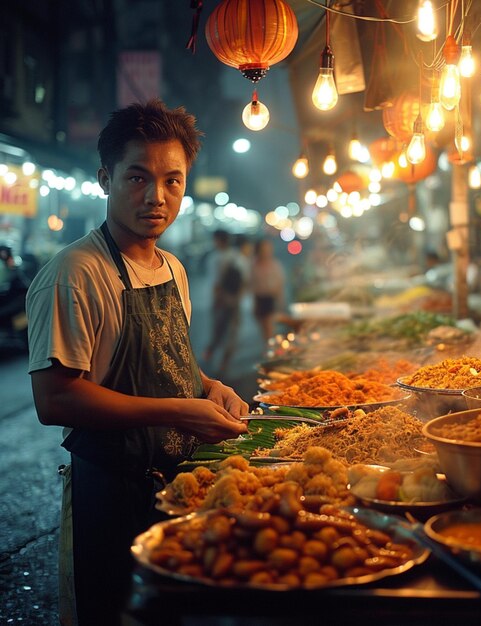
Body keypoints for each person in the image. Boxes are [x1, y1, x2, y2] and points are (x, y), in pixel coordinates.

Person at [26, 99, 248, 626]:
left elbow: (171, 365)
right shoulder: (76, 273)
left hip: (177, 488)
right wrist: (177, 412)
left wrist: (208, 387)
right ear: (106, 179)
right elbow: (55, 398)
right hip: (111, 494)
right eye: (137, 177)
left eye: (173, 180)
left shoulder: (172, 268)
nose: (157, 196)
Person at [202, 230, 250, 373]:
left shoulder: (214, 258)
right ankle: (224, 362)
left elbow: (214, 283)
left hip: (219, 300)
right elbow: (244, 280)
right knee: (231, 333)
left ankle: (209, 354)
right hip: (233, 301)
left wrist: (218, 299)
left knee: (218, 330)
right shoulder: (238, 257)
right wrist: (237, 298)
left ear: (218, 240)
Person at [250, 238, 286, 345]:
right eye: (264, 249)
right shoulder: (254, 265)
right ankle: (270, 348)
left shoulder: (275, 265)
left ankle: (272, 349)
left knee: (270, 328)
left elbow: (280, 285)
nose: (266, 251)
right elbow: (252, 285)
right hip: (260, 299)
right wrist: (254, 304)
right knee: (264, 330)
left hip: (271, 299)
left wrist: (280, 302)